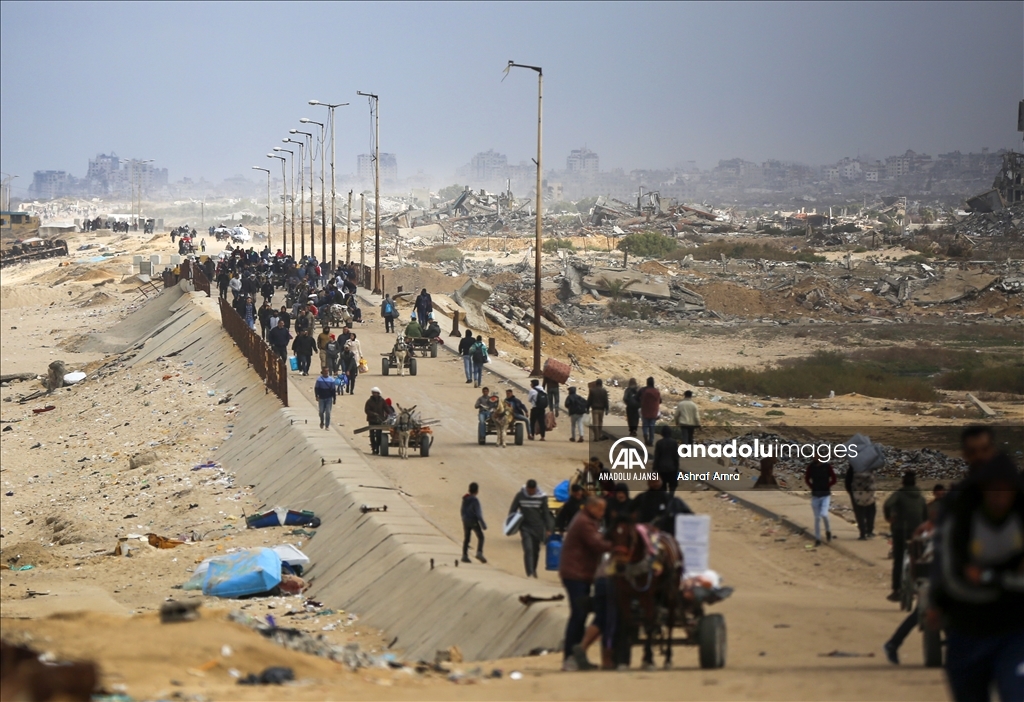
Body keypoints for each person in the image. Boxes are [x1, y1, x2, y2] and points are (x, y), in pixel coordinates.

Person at [932, 455, 1024, 701]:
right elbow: (953, 578)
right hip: (968, 629)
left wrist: (988, 578)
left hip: (1015, 631)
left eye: (1005, 489)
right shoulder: (960, 521)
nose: (998, 495)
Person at [558, 496, 612, 671]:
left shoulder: (588, 520)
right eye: (601, 510)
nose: (602, 513)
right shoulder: (584, 522)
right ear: (592, 508)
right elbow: (597, 544)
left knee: (580, 614)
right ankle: (569, 659)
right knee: (578, 614)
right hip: (575, 574)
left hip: (580, 574)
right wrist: (618, 545)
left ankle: (577, 658)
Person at [884, 470, 928, 602]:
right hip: (917, 533)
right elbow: (925, 516)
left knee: (898, 559)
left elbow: (887, 504)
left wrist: (889, 517)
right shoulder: (921, 497)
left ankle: (896, 590)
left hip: (900, 530)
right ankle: (917, 586)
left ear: (903, 482)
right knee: (918, 559)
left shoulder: (899, 494)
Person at [508, 479, 554, 578]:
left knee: (535, 551)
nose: (531, 492)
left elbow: (546, 514)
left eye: (533, 490)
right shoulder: (520, 496)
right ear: (527, 488)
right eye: (529, 490)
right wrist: (512, 524)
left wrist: (549, 529)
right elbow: (512, 511)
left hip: (538, 528)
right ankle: (530, 573)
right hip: (525, 528)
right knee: (528, 549)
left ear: (535, 488)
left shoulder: (542, 497)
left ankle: (533, 570)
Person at [804, 458, 837, 546]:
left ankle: (828, 530)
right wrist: (812, 486)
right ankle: (817, 539)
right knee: (817, 518)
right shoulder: (811, 467)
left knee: (824, 514)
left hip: (825, 495)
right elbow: (807, 478)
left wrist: (827, 486)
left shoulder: (827, 467)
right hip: (815, 495)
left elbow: (834, 479)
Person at [461, 482, 488, 564]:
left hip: (465, 520)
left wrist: (463, 519)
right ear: (477, 491)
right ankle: (479, 553)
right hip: (473, 521)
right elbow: (478, 514)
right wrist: (483, 524)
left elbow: (462, 510)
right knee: (481, 537)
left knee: (467, 538)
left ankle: (464, 556)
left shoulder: (465, 499)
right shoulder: (475, 500)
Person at [653, 425, 680, 495]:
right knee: (672, 485)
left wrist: (654, 469)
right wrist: (677, 468)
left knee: (662, 486)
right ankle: (670, 498)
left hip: (661, 468)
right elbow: (676, 457)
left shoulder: (659, 443)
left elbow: (656, 457)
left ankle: (664, 499)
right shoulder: (674, 443)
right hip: (672, 468)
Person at [364, 387, 387, 455]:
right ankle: (373, 448)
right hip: (372, 420)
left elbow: (386, 409)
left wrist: (391, 414)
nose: (375, 394)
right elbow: (366, 410)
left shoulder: (382, 401)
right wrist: (373, 414)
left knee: (378, 435)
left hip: (380, 420)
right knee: (372, 435)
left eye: (376, 393)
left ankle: (378, 447)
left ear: (378, 393)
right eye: (374, 393)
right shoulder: (369, 401)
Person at [639, 377, 661, 446]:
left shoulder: (643, 390)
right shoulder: (656, 391)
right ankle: (651, 441)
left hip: (645, 410)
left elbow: (637, 397)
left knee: (645, 425)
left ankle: (645, 435)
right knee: (652, 426)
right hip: (653, 411)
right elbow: (660, 401)